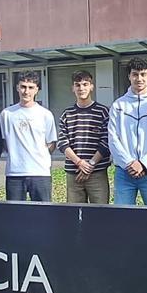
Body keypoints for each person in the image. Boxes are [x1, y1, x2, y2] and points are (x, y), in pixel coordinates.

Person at [108, 58, 147, 206]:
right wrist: (129, 163)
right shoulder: (118, 105)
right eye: (135, 74)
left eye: (143, 74)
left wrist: (143, 163)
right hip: (124, 172)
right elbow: (113, 137)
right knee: (122, 219)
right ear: (129, 76)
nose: (139, 79)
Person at [0, 72, 57, 202]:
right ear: (17, 88)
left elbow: (51, 143)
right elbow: (4, 142)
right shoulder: (6, 114)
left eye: (31, 87)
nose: (26, 91)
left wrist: (39, 157)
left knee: (44, 214)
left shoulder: (45, 114)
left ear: (37, 89)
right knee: (16, 216)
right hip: (15, 174)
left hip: (40, 173)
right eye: (23, 86)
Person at [57, 70, 111, 204]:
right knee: (74, 216)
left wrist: (90, 164)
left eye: (85, 84)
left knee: (100, 214)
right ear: (73, 88)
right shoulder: (67, 114)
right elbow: (62, 143)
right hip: (74, 172)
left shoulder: (103, 112)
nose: (81, 88)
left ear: (91, 86)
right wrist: (80, 163)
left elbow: (107, 141)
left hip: (97, 172)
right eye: (78, 85)